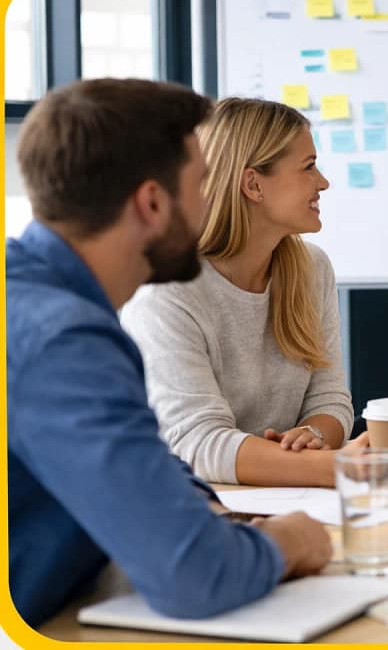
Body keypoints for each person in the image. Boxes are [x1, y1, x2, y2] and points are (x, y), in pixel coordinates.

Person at [7, 79, 333, 627]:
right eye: (202, 183)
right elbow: (194, 576)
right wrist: (290, 541)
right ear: (154, 203)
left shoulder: (46, 301)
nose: (214, 199)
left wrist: (200, 510)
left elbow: (143, 459)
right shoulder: (63, 342)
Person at [122, 98, 388, 487]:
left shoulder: (311, 268)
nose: (323, 182)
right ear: (253, 184)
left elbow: (329, 400)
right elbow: (196, 443)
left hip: (292, 500)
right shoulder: (166, 292)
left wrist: (313, 437)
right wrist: (345, 467)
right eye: (308, 167)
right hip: (197, 512)